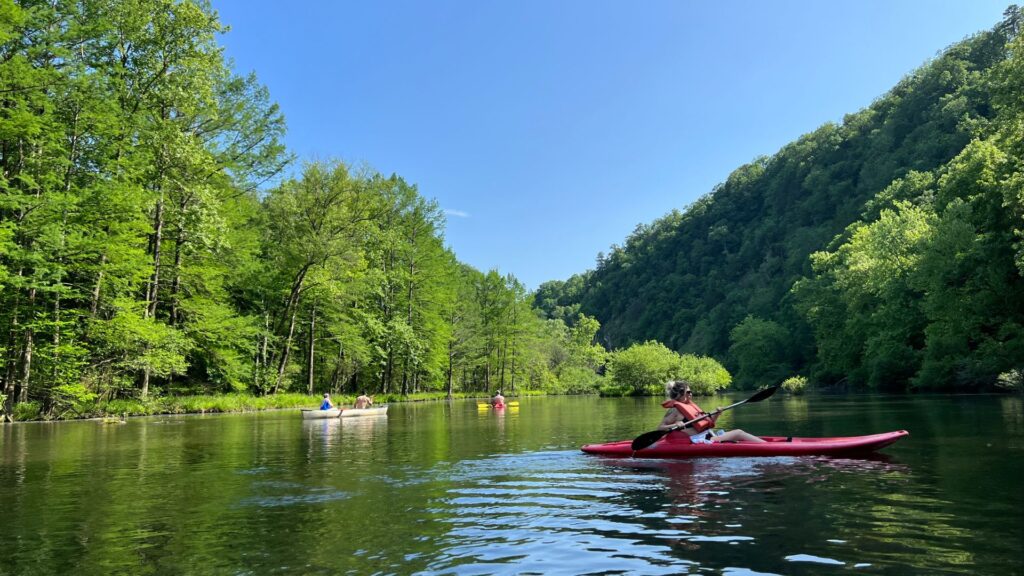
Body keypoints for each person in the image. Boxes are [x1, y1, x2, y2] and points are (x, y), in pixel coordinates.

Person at [658, 380, 764, 443]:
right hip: (699, 441)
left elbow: (706, 425)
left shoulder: (689, 406)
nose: (691, 394)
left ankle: (765, 444)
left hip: (707, 436)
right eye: (689, 391)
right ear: (681, 394)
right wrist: (675, 424)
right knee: (738, 433)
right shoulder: (675, 410)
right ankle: (767, 446)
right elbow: (660, 429)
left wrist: (717, 414)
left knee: (738, 433)